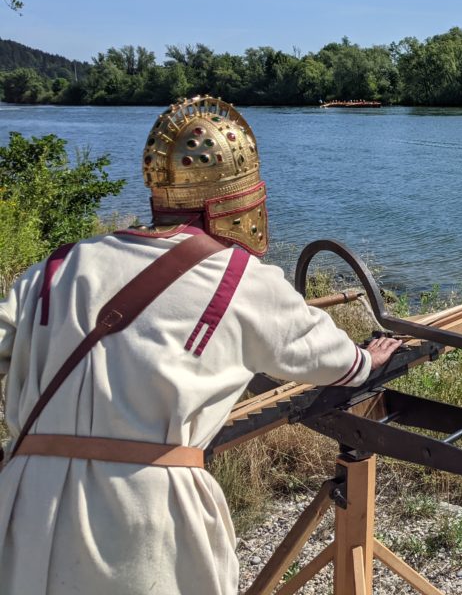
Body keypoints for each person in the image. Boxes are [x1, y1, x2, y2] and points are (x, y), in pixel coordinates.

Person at [0, 95, 401, 594]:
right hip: (144, 515)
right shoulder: (235, 276)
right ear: (237, 203)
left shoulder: (59, 267)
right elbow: (327, 356)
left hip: (24, 503)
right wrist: (367, 360)